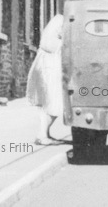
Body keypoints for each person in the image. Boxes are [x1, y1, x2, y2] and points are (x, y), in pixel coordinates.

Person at [26, 14, 64, 145]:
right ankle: (41, 135)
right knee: (53, 101)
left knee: (49, 102)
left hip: (48, 63)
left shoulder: (58, 20)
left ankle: (44, 133)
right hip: (50, 65)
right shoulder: (61, 21)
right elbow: (50, 45)